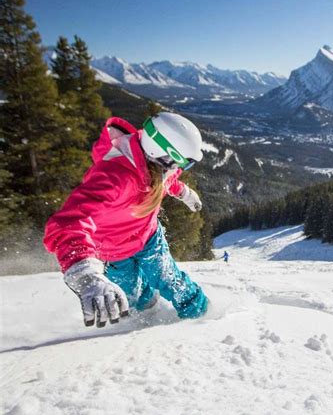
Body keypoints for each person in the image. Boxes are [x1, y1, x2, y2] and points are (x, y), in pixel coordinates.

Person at [43, 112, 209, 328]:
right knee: (134, 296)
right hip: (113, 252)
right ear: (163, 152)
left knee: (170, 280)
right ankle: (149, 322)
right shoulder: (114, 178)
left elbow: (164, 180)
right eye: (181, 162)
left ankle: (203, 319)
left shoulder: (153, 159)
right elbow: (69, 222)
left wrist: (184, 192)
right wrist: (83, 272)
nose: (179, 169)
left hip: (149, 238)